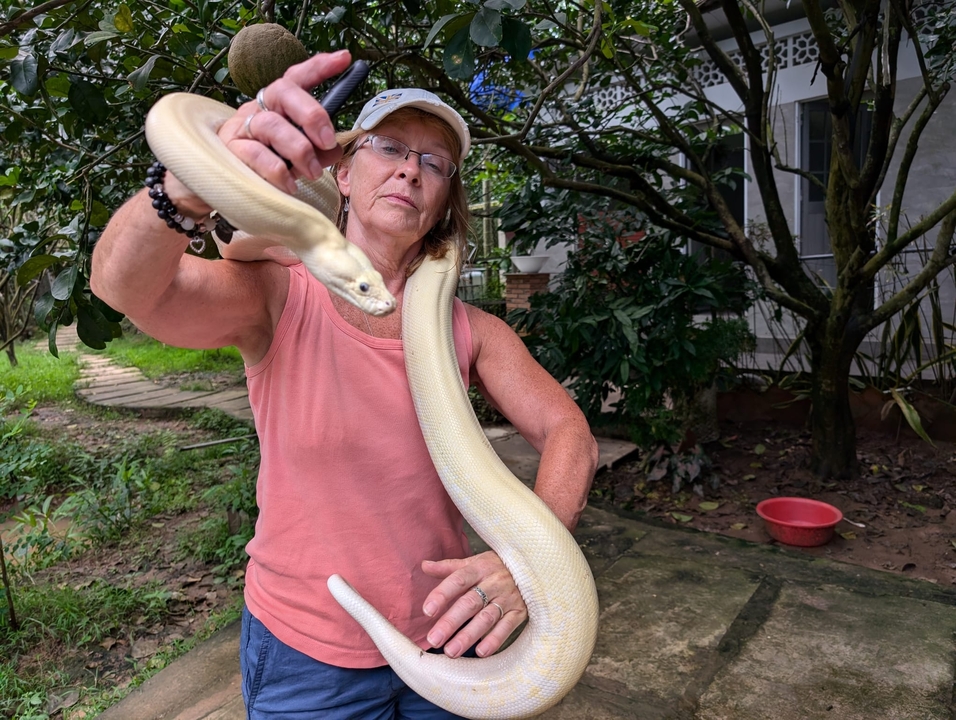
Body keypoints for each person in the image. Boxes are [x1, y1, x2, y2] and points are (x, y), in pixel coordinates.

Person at [91, 50, 598, 719]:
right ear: (344, 176)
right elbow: (124, 288)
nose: (411, 169)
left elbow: (569, 432)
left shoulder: (471, 327)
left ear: (445, 200)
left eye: (435, 162)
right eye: (390, 146)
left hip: (447, 636)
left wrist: (527, 559)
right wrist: (188, 186)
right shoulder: (276, 291)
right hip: (307, 655)